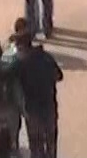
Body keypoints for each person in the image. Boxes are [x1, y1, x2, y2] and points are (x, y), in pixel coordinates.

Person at [12, 26, 64, 158]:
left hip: (33, 111)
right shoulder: (46, 57)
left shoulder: (20, 64)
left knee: (36, 145)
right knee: (51, 143)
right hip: (49, 107)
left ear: (22, 46)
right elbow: (59, 76)